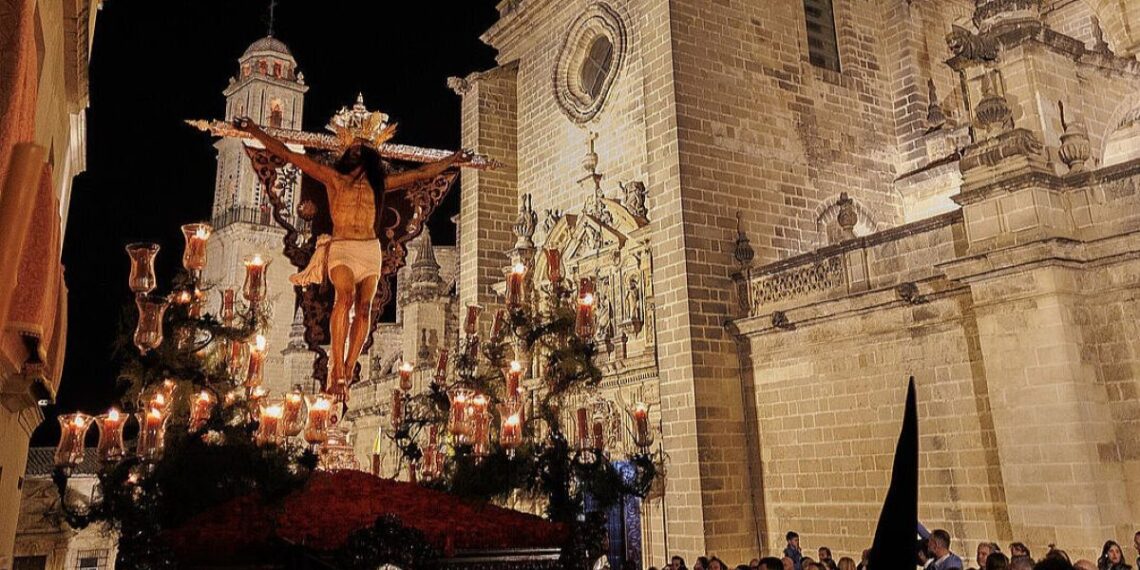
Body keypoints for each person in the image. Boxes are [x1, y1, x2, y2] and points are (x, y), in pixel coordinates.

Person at [233, 115, 467, 398]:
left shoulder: (379, 184)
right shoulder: (334, 178)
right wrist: (254, 130)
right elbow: (286, 154)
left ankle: (348, 365)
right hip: (342, 248)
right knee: (344, 298)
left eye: (361, 149)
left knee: (365, 309)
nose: (356, 152)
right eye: (353, 149)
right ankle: (337, 368)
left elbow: (419, 175)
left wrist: (454, 159)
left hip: (369, 251)